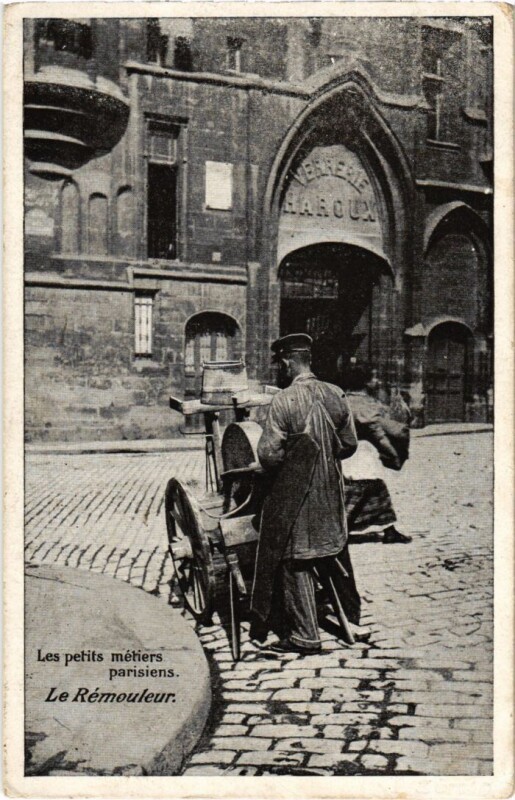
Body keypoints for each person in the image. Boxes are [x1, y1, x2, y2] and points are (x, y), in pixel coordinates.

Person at [250, 333, 360, 655]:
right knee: (330, 548)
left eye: (280, 363)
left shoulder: (284, 400)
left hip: (298, 496)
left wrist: (296, 462)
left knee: (292, 558)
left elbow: (268, 455)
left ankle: (305, 635)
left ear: (287, 361)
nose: (281, 368)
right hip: (331, 495)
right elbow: (350, 444)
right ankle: (349, 616)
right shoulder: (336, 394)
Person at [341, 363, 412, 544]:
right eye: (372, 378)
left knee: (378, 490)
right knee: (357, 492)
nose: (376, 381)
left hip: (341, 453)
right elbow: (378, 435)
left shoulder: (340, 399)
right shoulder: (365, 405)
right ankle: (337, 532)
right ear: (364, 382)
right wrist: (393, 455)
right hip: (359, 456)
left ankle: (390, 530)